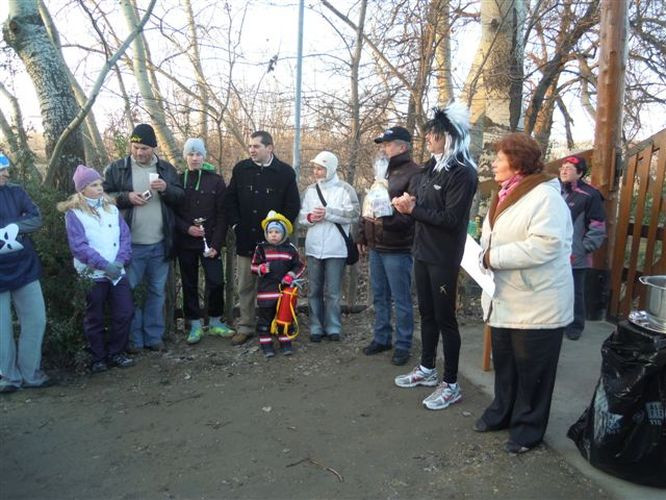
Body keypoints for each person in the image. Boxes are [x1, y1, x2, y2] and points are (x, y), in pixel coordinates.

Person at [475, 133, 573, 455]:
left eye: (500, 157)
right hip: (507, 297)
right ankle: (502, 413)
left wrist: (493, 258)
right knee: (506, 364)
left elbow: (548, 244)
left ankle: (528, 430)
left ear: (517, 162)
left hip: (538, 301)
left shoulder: (546, 197)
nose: (494, 163)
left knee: (533, 371)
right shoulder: (505, 193)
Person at [392, 103, 478, 410]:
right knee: (426, 314)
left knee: (446, 319)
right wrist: (408, 202)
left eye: (435, 134)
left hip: (444, 257)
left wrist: (414, 209)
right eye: (428, 133)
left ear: (451, 137)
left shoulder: (463, 174)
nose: (428, 138)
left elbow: (452, 220)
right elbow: (422, 202)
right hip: (422, 251)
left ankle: (451, 383)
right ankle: (427, 368)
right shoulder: (431, 168)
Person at [103, 124, 184, 352]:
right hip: (131, 246)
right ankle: (135, 340)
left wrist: (167, 188)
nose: (140, 152)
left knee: (157, 292)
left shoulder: (166, 169)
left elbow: (180, 197)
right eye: (136, 147)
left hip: (160, 243)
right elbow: (102, 197)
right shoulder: (117, 169)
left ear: (154, 148)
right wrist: (126, 197)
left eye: (145, 148)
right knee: (131, 292)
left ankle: (153, 337)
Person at [225, 131, 300, 346]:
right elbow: (230, 200)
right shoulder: (241, 169)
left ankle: (277, 324)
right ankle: (246, 326)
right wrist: (236, 224)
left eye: (256, 146)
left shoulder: (285, 173)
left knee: (276, 286)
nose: (251, 150)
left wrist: (280, 231)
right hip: (247, 240)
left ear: (270, 148)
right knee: (245, 286)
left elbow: (292, 205)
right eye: (250, 146)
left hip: (275, 245)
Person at [58, 165, 135, 373]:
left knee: (124, 312)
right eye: (93, 185)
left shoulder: (112, 208)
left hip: (117, 272)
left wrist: (119, 262)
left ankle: (117, 352)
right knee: (95, 317)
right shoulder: (74, 214)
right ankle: (98, 357)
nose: (99, 188)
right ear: (82, 189)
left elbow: (125, 237)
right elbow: (79, 246)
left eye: (100, 184)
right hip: (92, 274)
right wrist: (104, 265)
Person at [358, 127, 422, 365]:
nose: (383, 149)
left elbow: (413, 216)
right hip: (376, 245)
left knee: (401, 298)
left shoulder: (414, 174)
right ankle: (382, 337)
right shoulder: (381, 173)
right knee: (380, 296)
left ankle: (403, 344)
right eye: (382, 145)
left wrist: (386, 220)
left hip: (398, 247)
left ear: (402, 147)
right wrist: (362, 235)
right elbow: (367, 206)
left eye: (387, 144)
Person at [174, 138, 235, 345]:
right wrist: (186, 228)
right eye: (190, 154)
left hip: (210, 244)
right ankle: (195, 324)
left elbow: (222, 214)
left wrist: (216, 245)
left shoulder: (216, 181)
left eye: (198, 154)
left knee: (217, 281)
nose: (195, 158)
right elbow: (172, 213)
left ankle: (216, 321)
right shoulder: (178, 180)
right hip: (185, 243)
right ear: (185, 157)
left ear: (204, 156)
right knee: (189, 283)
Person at [0, 153, 51, 393]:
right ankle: (8, 377)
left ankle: (31, 373)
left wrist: (14, 227)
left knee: (36, 319)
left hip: (24, 266)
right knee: (1, 328)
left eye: (7, 169)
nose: (6, 174)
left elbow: (36, 218)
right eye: (1, 171)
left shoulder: (16, 192)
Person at [299, 151, 360, 342]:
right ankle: (316, 327)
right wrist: (310, 217)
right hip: (314, 247)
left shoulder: (345, 189)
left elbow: (354, 214)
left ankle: (333, 326)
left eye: (321, 168)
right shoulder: (309, 191)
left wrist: (328, 213)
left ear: (331, 168)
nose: (316, 172)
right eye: (315, 168)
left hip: (336, 247)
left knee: (333, 291)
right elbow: (301, 217)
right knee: (314, 290)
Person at [559, 155, 606, 340]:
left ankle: (575, 326)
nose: (563, 170)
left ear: (580, 173)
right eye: (562, 167)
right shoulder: (555, 192)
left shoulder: (590, 195)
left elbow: (598, 225)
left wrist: (585, 248)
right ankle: (558, 321)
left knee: (575, 291)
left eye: (569, 168)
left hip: (576, 255)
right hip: (553, 253)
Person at [251, 211, 305, 357]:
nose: (273, 235)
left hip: (284, 294)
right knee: (265, 320)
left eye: (277, 232)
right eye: (270, 232)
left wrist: (291, 275)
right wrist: (261, 268)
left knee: (284, 318)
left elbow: (299, 266)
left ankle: (285, 341)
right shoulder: (261, 248)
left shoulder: (290, 249)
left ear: (284, 233)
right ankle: (266, 343)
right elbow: (253, 267)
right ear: (266, 233)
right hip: (266, 292)